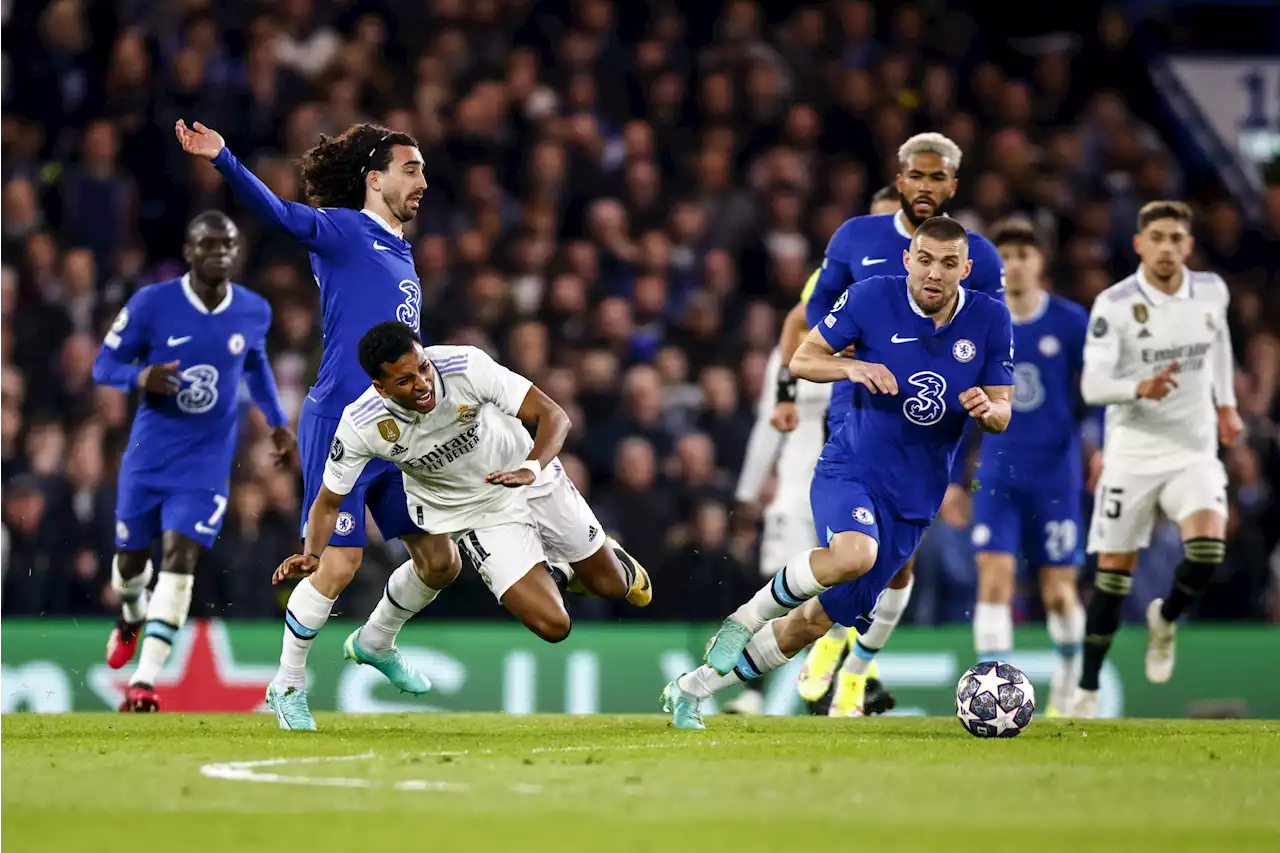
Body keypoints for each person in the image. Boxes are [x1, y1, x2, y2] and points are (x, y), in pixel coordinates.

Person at [662, 217, 1014, 729]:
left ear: (966, 268)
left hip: (915, 498)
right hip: (852, 466)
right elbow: (803, 359)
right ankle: (744, 618)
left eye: (947, 263)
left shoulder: (990, 318)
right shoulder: (872, 296)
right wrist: (852, 368)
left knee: (811, 623)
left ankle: (689, 689)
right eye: (924, 260)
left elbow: (1003, 410)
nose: (934, 273)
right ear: (907, 260)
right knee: (855, 552)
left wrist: (989, 410)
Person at [175, 119, 458, 730]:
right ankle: (287, 685)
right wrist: (224, 158)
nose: (423, 182)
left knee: (441, 561)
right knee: (339, 564)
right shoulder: (344, 229)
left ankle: (377, 641)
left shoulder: (400, 249)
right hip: (341, 423)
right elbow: (279, 215)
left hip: (398, 430)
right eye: (412, 170)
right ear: (374, 179)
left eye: (425, 171)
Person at [273, 322, 651, 661]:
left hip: (530, 475)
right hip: (475, 515)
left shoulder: (465, 366)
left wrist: (530, 468)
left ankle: (593, 559)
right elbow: (328, 501)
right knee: (555, 626)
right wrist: (312, 554)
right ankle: (556, 569)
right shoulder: (362, 424)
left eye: (422, 368)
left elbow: (554, 416)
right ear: (380, 386)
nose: (422, 383)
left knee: (613, 585)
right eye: (404, 381)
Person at [789, 133, 1008, 716]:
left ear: (952, 185)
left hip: (931, 422)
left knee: (898, 561)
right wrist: (849, 354)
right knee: (851, 540)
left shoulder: (979, 255)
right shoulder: (855, 236)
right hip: (855, 405)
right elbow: (815, 310)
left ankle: (854, 667)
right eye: (918, 176)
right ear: (901, 177)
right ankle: (833, 633)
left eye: (939, 179)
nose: (927, 188)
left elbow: (990, 340)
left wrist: (968, 461)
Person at [95, 211, 296, 712]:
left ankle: (144, 681)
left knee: (180, 561)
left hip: (206, 464)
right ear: (189, 252)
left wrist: (276, 421)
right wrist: (142, 378)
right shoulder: (152, 304)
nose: (220, 253)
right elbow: (105, 364)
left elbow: (255, 363)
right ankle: (129, 615)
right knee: (130, 566)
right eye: (209, 245)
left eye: (228, 245)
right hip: (149, 458)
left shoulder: (253, 310)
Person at [725, 187, 899, 718]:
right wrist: (749, 492)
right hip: (804, 473)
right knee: (791, 576)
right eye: (877, 223)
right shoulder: (837, 281)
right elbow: (794, 332)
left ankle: (847, 680)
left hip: (864, 466)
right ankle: (754, 689)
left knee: (858, 574)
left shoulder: (917, 307)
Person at [1073, 201, 1242, 718]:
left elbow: (1217, 344)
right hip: (1133, 452)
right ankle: (1086, 687)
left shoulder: (1212, 290)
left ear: (1188, 246)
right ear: (1139, 245)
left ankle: (1165, 618)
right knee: (1112, 575)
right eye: (1158, 238)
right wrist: (1138, 387)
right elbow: (1093, 384)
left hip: (1193, 449)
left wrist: (1227, 404)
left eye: (1176, 238)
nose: (1167, 247)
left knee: (1209, 550)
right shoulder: (1115, 304)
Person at [969, 220, 1089, 715]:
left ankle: (1072, 678)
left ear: (1041, 263)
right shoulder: (978, 321)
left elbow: (1098, 393)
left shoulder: (1070, 321)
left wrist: (1099, 443)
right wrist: (955, 478)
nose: (1015, 262)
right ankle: (992, 693)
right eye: (1007, 254)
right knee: (993, 581)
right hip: (997, 475)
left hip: (1056, 477)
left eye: (1024, 253)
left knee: (1059, 591)